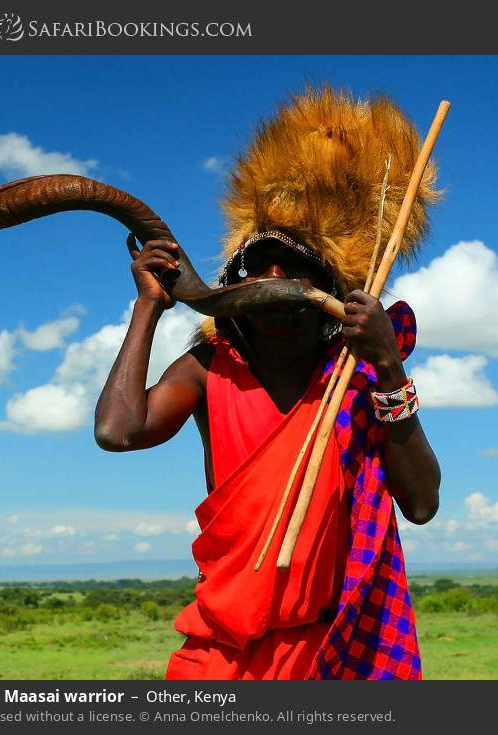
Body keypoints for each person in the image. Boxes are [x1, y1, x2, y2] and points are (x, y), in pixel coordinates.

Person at [93, 86, 441, 680]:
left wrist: (387, 366)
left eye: (293, 267)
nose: (274, 278)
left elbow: (422, 503)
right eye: (259, 268)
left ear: (327, 292)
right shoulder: (210, 367)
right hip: (218, 651)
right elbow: (118, 431)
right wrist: (149, 306)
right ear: (234, 293)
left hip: (329, 652)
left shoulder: (355, 380)